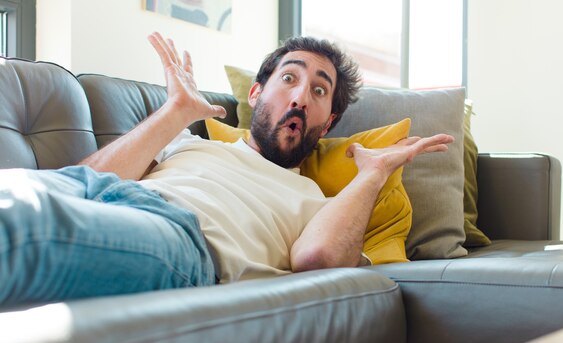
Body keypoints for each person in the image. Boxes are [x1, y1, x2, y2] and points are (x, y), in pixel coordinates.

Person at [0, 32, 453, 307]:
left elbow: (319, 260)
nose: (299, 98)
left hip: (181, 237)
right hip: (99, 194)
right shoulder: (186, 141)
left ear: (328, 122)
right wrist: (175, 111)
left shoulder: (321, 205)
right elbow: (90, 176)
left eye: (319, 92)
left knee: (24, 228)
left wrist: (372, 174)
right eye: (290, 79)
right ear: (256, 94)